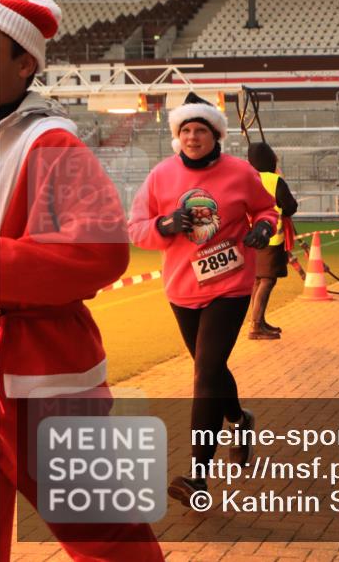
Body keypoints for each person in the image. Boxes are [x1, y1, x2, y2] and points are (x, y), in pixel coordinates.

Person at [0, 0, 164, 560]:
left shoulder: (50, 145)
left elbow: (97, 252)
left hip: (40, 379)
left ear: (25, 64)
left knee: (109, 539)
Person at [128, 92, 279, 506]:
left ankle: (197, 476)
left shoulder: (240, 172)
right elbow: (136, 228)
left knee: (203, 375)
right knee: (209, 370)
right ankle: (239, 418)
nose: (193, 137)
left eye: (201, 130)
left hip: (230, 286)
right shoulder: (160, 176)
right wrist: (163, 224)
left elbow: (267, 210)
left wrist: (264, 229)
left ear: (216, 134)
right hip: (181, 288)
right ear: (178, 136)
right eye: (186, 130)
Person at [247, 142, 298, 341]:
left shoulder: (249, 178)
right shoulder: (275, 180)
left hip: (251, 237)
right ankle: (256, 325)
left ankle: (258, 320)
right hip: (271, 237)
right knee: (267, 280)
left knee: (257, 280)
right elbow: (290, 207)